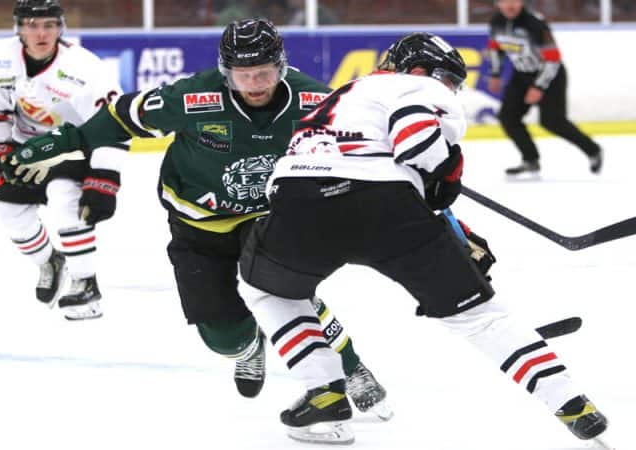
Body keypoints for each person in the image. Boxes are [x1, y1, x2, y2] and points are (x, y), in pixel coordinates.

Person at [0, 18, 392, 418]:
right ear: (225, 72)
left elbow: (370, 144)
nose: (255, 84)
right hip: (197, 224)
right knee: (222, 337)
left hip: (269, 217)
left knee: (290, 295)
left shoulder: (316, 101)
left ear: (282, 66)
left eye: (264, 72)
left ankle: (350, 367)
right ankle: (248, 346)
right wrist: (64, 141)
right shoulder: (192, 97)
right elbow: (121, 117)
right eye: (242, 75)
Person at [234, 32, 611, 446]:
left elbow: (311, 171)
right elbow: (416, 146)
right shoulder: (417, 86)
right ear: (418, 70)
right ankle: (571, 403)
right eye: (448, 79)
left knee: (266, 289)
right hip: (383, 206)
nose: (450, 89)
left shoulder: (344, 96)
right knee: (480, 317)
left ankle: (323, 389)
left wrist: (449, 221)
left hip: (297, 204)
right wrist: (446, 180)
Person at [0, 0, 121, 320]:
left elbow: (113, 125)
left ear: (60, 28)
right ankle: (50, 262)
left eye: (49, 25)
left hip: (74, 145)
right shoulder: (0, 62)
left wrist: (105, 177)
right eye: (32, 25)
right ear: (19, 29)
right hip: (28, 148)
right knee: (10, 211)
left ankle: (85, 282)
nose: (41, 33)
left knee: (64, 199)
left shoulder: (85, 68)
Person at [486, 0, 602, 177]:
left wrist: (539, 86)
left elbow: (553, 58)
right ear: (498, 3)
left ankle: (593, 150)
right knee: (508, 117)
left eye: (514, 0)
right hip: (521, 75)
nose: (510, 5)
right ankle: (530, 160)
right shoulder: (496, 22)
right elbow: (495, 47)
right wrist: (495, 73)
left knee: (552, 122)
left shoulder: (535, 24)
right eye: (505, 1)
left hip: (550, 75)